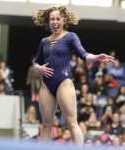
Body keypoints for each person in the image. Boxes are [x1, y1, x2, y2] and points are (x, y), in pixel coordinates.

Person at [32, 5, 115, 145]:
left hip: (63, 83)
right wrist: (39, 68)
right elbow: (35, 63)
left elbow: (83, 54)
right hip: (46, 85)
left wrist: (96, 57)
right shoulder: (44, 41)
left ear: (63, 20)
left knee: (71, 122)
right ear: (48, 21)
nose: (55, 21)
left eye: (58, 18)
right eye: (52, 19)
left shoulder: (70, 36)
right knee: (46, 124)